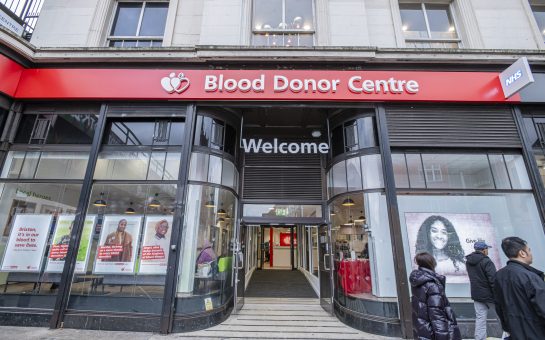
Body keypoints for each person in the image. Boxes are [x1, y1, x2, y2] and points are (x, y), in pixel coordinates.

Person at [494, 236, 545, 339]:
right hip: (536, 333)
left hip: (515, 333)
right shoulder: (530, 277)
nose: (531, 253)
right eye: (529, 250)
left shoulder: (499, 276)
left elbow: (499, 307)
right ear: (522, 253)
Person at [410, 252, 462, 340]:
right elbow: (437, 314)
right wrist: (443, 336)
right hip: (432, 332)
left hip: (422, 328)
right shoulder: (431, 284)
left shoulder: (418, 280)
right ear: (432, 263)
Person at [465, 241, 497, 340]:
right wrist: (498, 294)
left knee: (480, 318)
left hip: (477, 294)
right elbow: (493, 280)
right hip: (490, 295)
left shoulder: (469, 261)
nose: (488, 251)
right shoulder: (486, 261)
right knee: (502, 316)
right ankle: (509, 335)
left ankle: (479, 338)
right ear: (483, 250)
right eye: (487, 249)